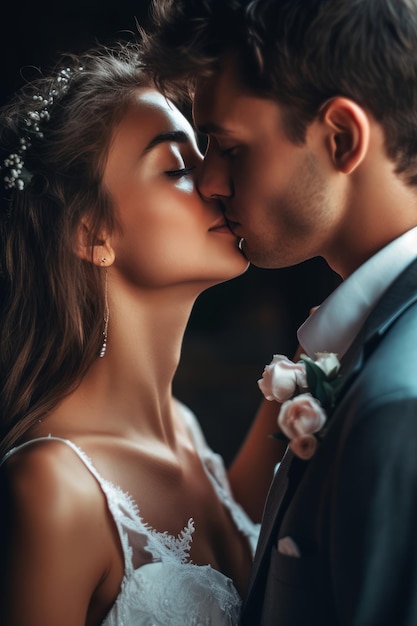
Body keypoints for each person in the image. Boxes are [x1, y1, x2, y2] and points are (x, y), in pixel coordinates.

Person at [139, 1, 417, 624]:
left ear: (342, 138)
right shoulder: (364, 349)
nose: (208, 180)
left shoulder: (400, 406)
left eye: (228, 146)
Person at [0, 42, 286, 626]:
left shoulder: (183, 427)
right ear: (94, 235)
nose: (215, 179)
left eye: (204, 153)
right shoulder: (51, 489)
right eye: (177, 169)